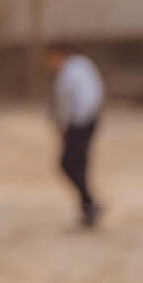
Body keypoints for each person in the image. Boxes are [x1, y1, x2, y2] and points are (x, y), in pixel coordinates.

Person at [45, 42, 104, 228]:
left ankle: (89, 203)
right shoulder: (81, 65)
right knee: (78, 165)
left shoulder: (68, 73)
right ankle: (88, 207)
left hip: (80, 122)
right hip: (88, 119)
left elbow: (66, 104)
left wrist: (68, 125)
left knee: (68, 163)